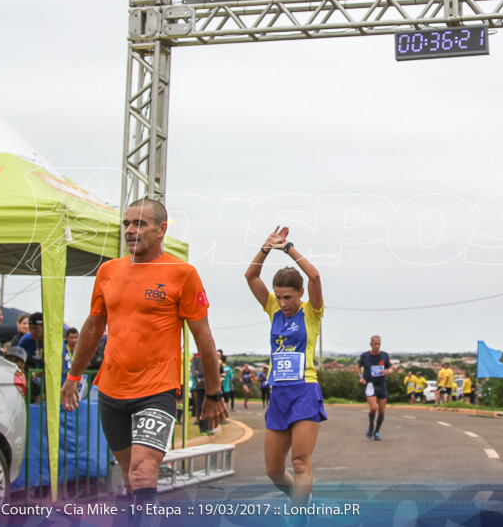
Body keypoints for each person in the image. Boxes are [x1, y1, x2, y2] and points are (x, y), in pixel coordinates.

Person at [60, 198, 226, 521]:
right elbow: (94, 326)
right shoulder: (108, 271)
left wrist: (213, 392)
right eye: (126, 224)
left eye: (140, 224)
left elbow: (203, 337)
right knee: (129, 477)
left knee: (143, 472)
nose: (130, 231)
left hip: (156, 390)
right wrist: (73, 377)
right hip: (111, 391)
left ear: (162, 229)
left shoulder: (182, 273)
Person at [245, 225, 325, 506]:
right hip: (279, 392)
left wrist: (287, 247)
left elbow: (314, 274)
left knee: (301, 464)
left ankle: (298, 515)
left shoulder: (311, 312)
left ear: (300, 293)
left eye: (287, 297)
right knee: (274, 471)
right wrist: (266, 247)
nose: (282, 302)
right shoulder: (272, 308)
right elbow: (250, 276)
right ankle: (302, 500)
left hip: (304, 390)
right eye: (278, 296)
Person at [358, 335, 392, 440]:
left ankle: (377, 431)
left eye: (378, 344)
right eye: (375, 344)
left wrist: (389, 371)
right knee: (374, 408)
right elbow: (358, 366)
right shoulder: (365, 356)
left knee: (381, 410)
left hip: (381, 384)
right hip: (370, 385)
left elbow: (390, 367)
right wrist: (361, 377)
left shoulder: (385, 355)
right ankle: (371, 426)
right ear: (371, 344)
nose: (377, 346)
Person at [191, 353, 210, 433]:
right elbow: (193, 370)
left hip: (208, 385)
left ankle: (207, 426)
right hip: (200, 386)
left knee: (208, 406)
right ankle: (202, 427)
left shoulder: (209, 356)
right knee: (200, 406)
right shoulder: (195, 357)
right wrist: (198, 376)